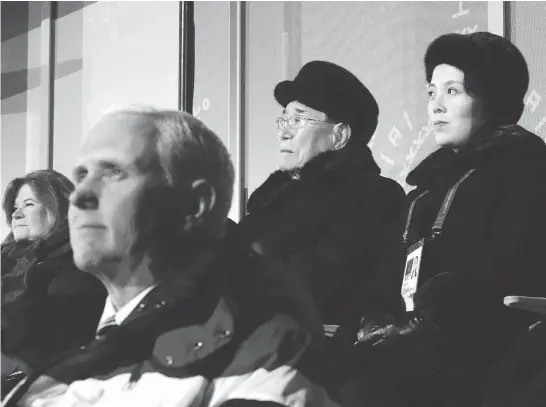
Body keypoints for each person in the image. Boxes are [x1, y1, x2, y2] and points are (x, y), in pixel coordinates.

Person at [2, 107, 339, 407]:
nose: (81, 196)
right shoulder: (66, 368)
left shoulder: (267, 351)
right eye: (81, 176)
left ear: (194, 205)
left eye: (113, 173)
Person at [355, 32, 546, 406]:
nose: (435, 106)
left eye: (453, 91)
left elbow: (508, 265)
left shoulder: (526, 170)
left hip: (486, 355)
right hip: (414, 356)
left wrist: (427, 321)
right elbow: (386, 268)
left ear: (493, 98)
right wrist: (374, 313)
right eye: (431, 92)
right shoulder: (424, 190)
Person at [232, 60, 407, 347]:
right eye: (284, 119)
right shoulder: (268, 205)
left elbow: (325, 284)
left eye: (298, 120)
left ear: (339, 135)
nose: (284, 132)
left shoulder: (373, 197)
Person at [1, 170, 106, 396]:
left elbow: (62, 341)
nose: (16, 213)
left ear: (63, 211)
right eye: (15, 207)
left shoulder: (80, 265)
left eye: (29, 204)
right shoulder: (6, 261)